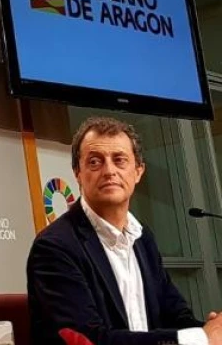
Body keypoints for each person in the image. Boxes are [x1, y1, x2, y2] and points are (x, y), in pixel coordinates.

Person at [27, 116, 222, 345]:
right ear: (78, 173)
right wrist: (201, 337)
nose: (109, 171)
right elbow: (88, 338)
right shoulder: (54, 247)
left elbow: (174, 316)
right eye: (94, 162)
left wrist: (211, 330)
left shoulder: (143, 238)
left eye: (119, 160)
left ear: (138, 171)